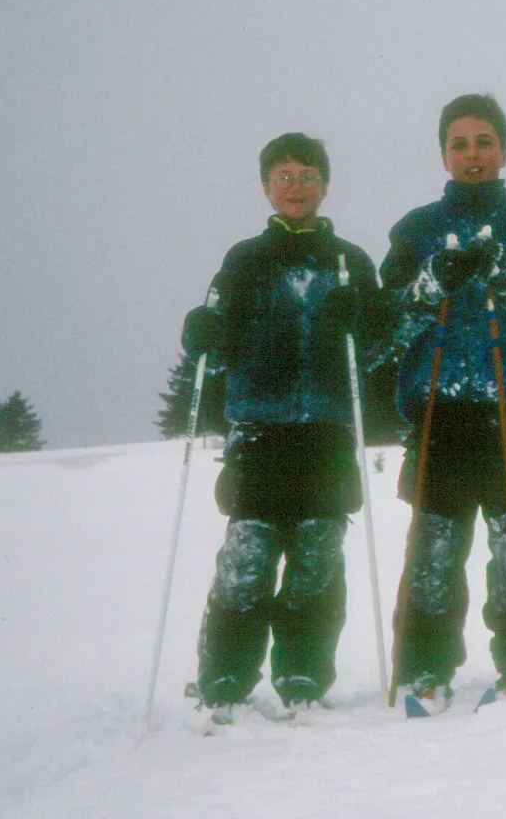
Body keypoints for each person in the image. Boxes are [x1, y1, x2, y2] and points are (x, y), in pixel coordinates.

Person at [180, 132, 387, 720]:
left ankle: (303, 670)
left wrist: (367, 323)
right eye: (285, 176)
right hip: (261, 432)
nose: (297, 187)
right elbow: (216, 345)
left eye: (307, 176)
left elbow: (374, 353)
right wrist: (203, 334)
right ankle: (225, 674)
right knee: (247, 559)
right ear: (266, 186)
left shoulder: (350, 261)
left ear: (325, 184)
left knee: (317, 558)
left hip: (325, 432)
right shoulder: (245, 259)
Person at [382, 93, 506, 707]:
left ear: (504, 151)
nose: (472, 155)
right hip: (439, 411)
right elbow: (384, 330)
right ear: (443, 153)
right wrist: (431, 281)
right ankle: (424, 665)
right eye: (460, 144)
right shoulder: (414, 231)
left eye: (484, 143)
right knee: (434, 550)